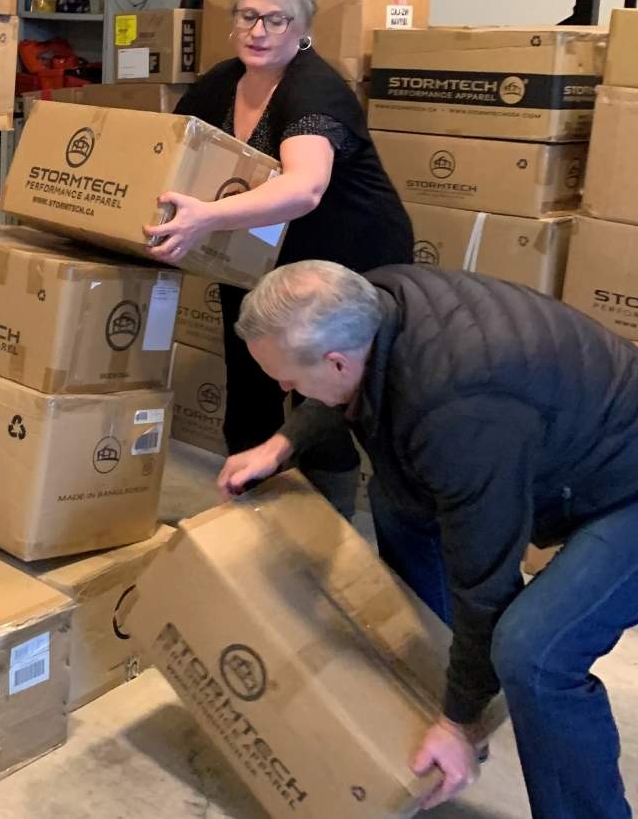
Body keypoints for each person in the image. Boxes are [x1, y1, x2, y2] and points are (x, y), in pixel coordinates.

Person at [218, 259, 638, 817]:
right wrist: (284, 443)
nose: (286, 389)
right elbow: (355, 390)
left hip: (628, 491)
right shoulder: (377, 299)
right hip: (576, 446)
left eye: (288, 382)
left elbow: (484, 579)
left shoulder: (460, 411)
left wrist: (459, 721)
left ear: (338, 360)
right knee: (399, 500)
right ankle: (430, 688)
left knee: (533, 649)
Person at [143, 0, 413, 515]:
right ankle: (251, 511)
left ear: (303, 25)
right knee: (249, 368)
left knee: (322, 389)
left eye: (277, 19)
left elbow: (306, 187)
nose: (259, 32)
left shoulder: (315, 89)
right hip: (260, 250)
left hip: (347, 255)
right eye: (247, 17)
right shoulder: (223, 83)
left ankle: (327, 521)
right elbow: (168, 147)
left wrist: (204, 219)